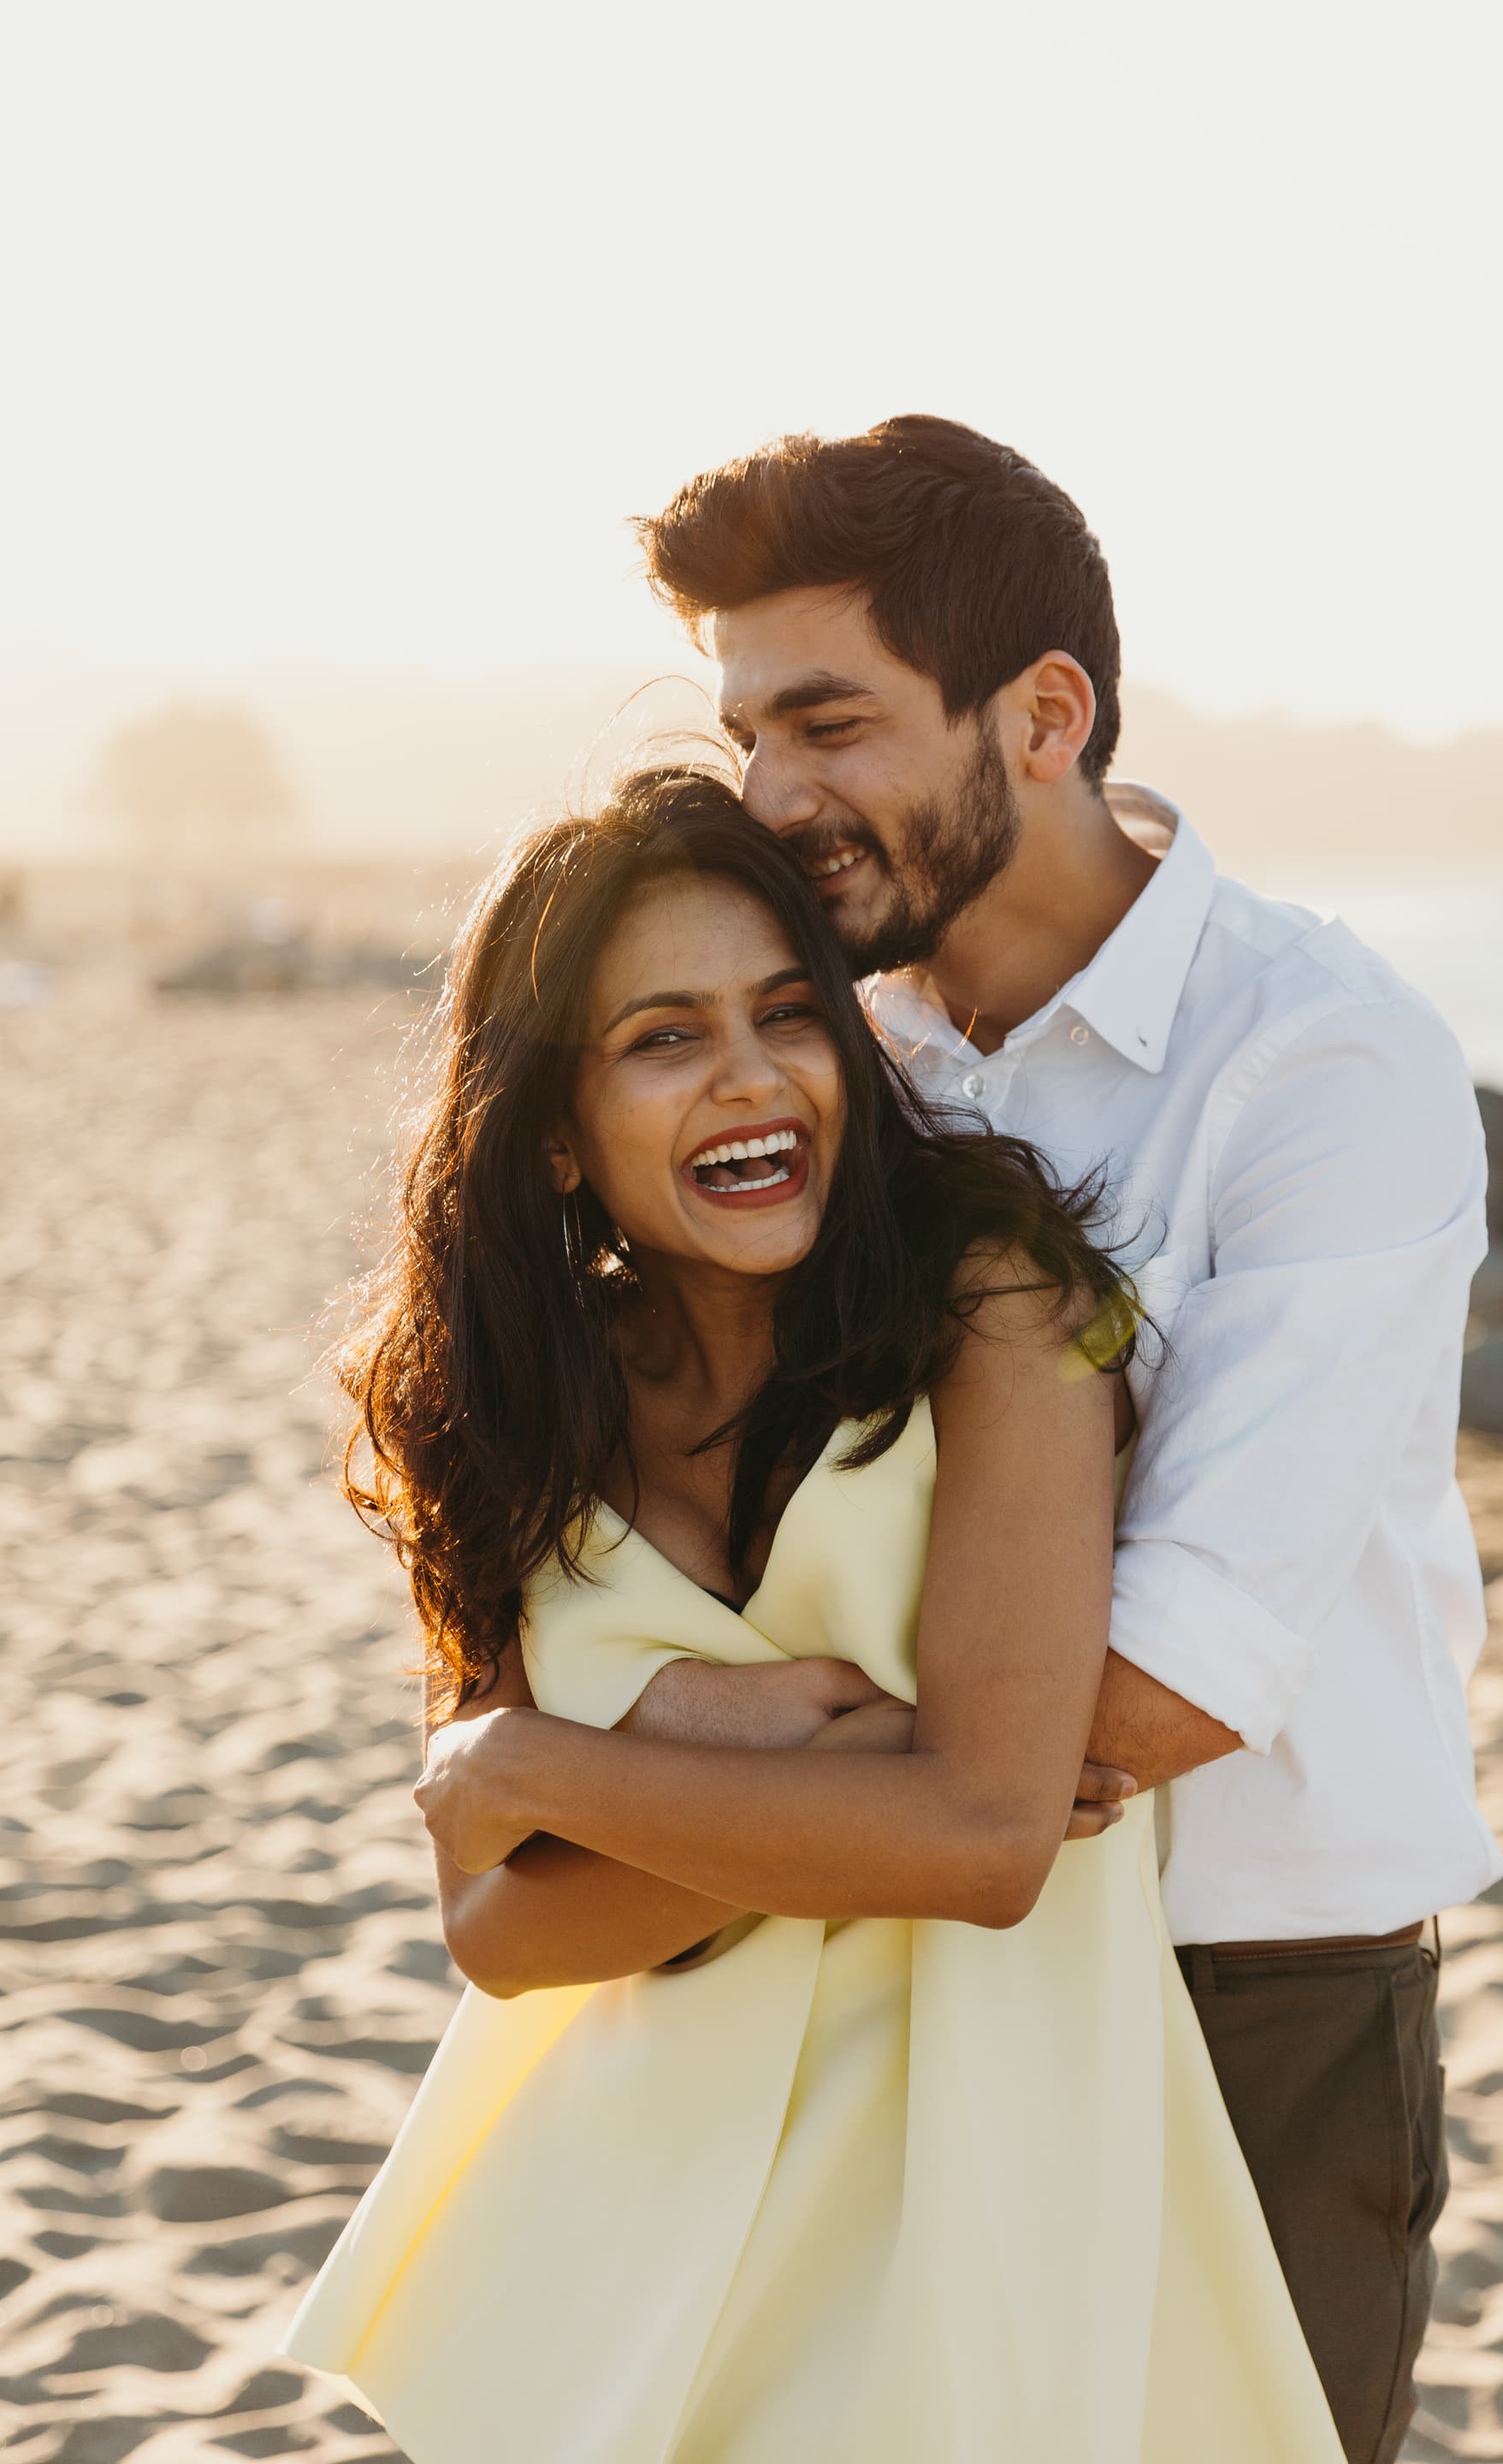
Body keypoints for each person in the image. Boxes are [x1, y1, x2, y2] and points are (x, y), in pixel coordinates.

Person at [624, 416, 1503, 2464]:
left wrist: (694, 1759)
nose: (771, 796)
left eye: (829, 722)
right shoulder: (823, 1062)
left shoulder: (1325, 1059)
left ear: (1042, 715)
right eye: (746, 731)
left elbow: (1177, 1679)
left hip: (1248, 1997)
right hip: (865, 1978)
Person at [282, 768, 1345, 2463]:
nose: (753, 1075)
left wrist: (545, 1762)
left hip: (970, 2180)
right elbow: (498, 1935)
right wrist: (809, 1758)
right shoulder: (498, 1401)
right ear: (555, 1126)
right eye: (664, 1037)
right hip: (631, 2208)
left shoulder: (998, 1310)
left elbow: (989, 1846)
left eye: (788, 1012)